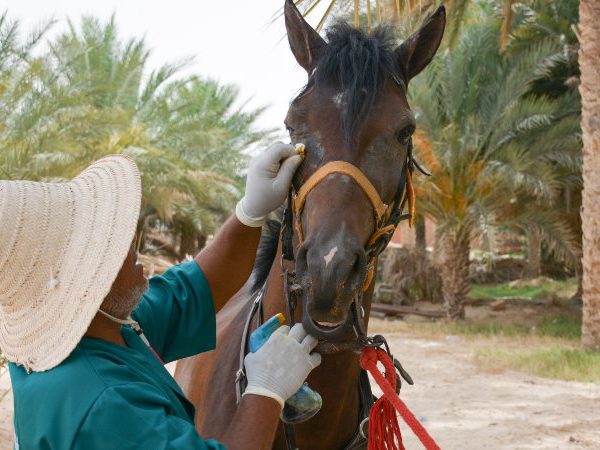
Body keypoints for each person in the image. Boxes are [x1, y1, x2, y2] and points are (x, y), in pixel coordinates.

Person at [0, 143, 320, 449]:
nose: (133, 245)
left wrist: (249, 212)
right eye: (113, 241)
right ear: (85, 279)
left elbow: (192, 292)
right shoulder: (103, 405)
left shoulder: (91, 326)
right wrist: (266, 391)